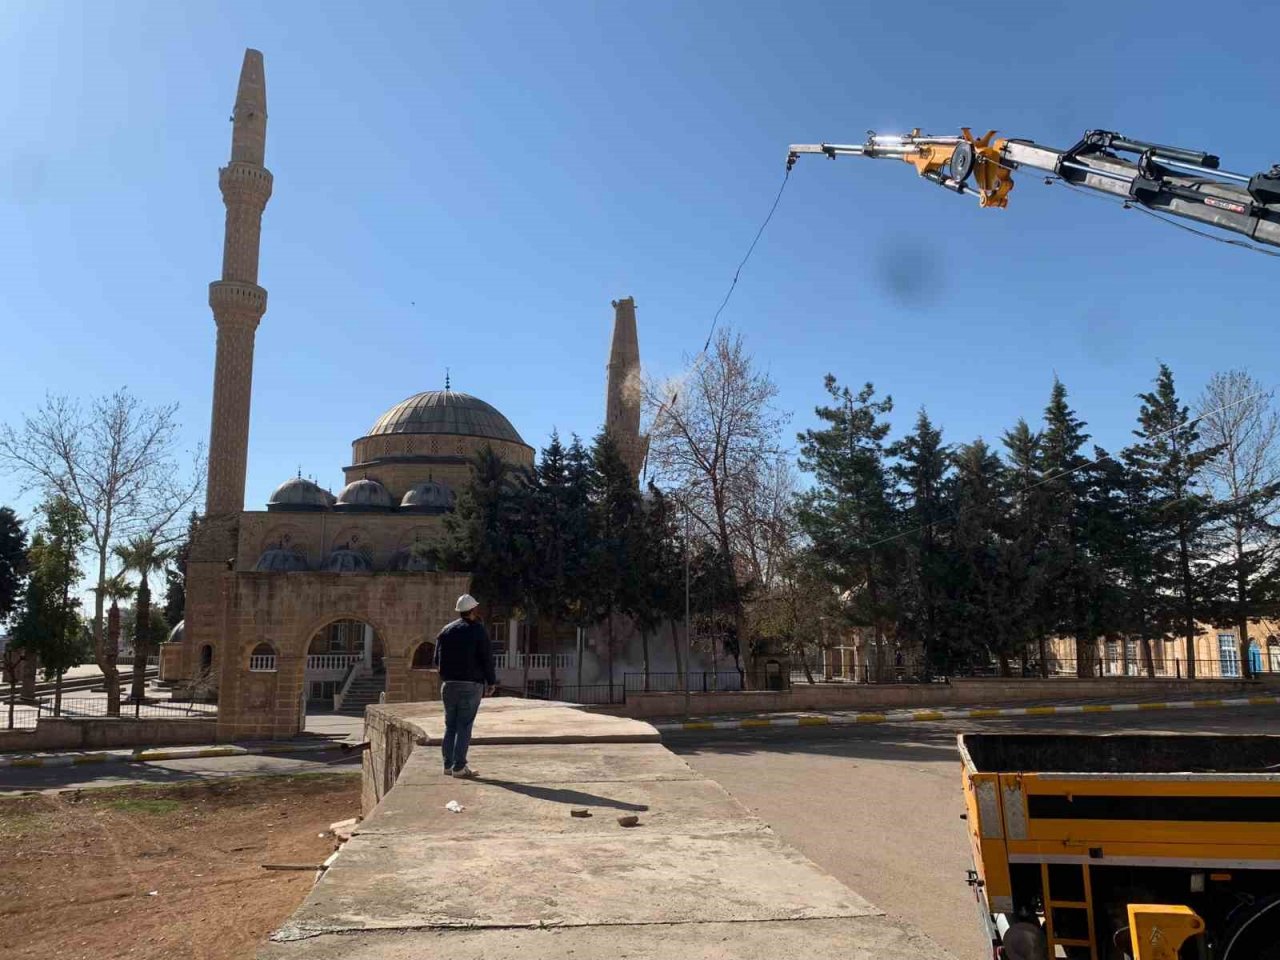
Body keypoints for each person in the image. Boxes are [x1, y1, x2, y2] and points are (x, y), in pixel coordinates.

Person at [433, 593, 497, 778]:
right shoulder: (478, 630)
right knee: (464, 725)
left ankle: (448, 765)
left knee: (450, 726)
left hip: (448, 685)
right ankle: (459, 767)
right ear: (474, 610)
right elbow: (486, 658)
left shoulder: (445, 630)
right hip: (470, 685)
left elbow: (436, 659)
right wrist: (491, 682)